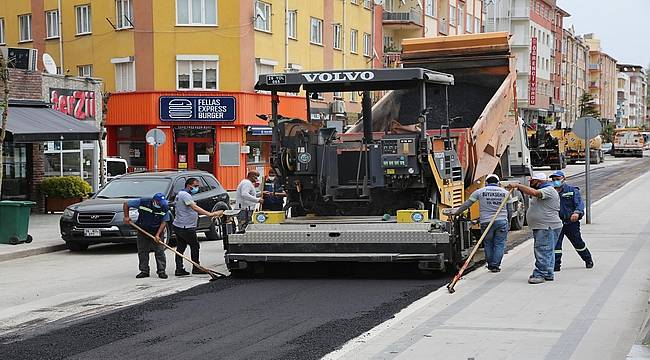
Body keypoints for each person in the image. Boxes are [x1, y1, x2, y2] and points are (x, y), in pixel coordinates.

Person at [444, 174, 511, 272]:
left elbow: (467, 204)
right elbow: (510, 209)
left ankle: (490, 264)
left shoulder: (479, 192)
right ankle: (495, 265)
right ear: (498, 183)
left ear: (486, 183)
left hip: (486, 222)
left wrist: (457, 211)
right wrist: (508, 222)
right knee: (499, 244)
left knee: (488, 243)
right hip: (501, 221)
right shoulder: (505, 193)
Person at [506, 173, 563, 284]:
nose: (531, 183)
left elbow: (534, 192)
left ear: (539, 181)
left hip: (547, 226)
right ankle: (548, 273)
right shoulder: (546, 190)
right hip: (545, 226)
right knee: (548, 250)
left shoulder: (548, 190)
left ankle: (540, 273)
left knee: (543, 249)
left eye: (532, 181)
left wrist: (518, 186)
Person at [173, 178, 223, 276]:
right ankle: (196, 267)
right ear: (189, 186)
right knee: (195, 246)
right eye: (195, 186)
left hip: (179, 225)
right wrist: (210, 214)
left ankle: (179, 269)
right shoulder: (185, 195)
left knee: (181, 247)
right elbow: (194, 207)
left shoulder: (180, 194)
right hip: (185, 226)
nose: (197, 188)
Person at [550, 171, 594, 271]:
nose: (555, 181)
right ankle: (556, 265)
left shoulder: (572, 190)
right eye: (553, 180)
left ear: (563, 179)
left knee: (577, 243)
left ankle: (588, 259)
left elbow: (579, 204)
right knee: (556, 245)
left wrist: (577, 213)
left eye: (557, 179)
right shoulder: (551, 191)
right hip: (557, 223)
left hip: (571, 223)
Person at [123, 192, 170, 279]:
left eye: (162, 203)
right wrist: (126, 216)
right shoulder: (143, 202)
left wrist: (158, 235)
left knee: (159, 251)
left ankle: (161, 271)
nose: (160, 204)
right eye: (159, 203)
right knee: (143, 251)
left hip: (156, 230)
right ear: (154, 201)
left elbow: (164, 222)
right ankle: (144, 271)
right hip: (142, 229)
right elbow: (126, 204)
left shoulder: (165, 207)